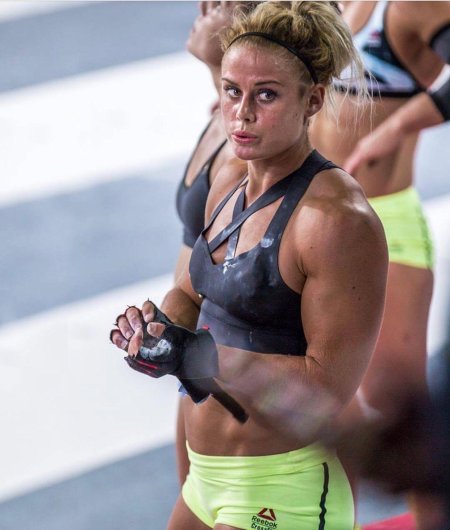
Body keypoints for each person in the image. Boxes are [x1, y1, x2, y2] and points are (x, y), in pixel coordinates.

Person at [110, 2, 388, 529]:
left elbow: (328, 389)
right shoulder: (229, 180)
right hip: (205, 479)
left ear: (313, 100)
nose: (241, 113)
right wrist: (157, 332)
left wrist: (201, 355)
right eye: (232, 91)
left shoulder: (335, 220)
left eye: (266, 95)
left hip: (283, 487)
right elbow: (192, 293)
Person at [309, 2, 450, 526]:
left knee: (409, 419)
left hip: (384, 221)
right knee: (326, 409)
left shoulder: (415, 5)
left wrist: (396, 128)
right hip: (313, 219)